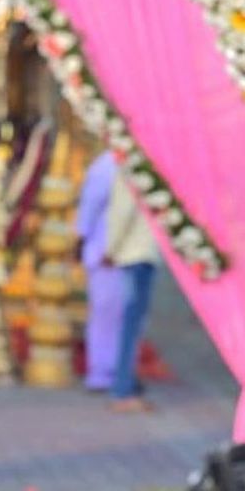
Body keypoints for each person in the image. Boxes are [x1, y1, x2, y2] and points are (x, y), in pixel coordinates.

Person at [106, 166, 160, 411]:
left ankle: (126, 384)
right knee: (130, 326)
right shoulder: (132, 167)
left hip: (140, 254)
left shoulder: (139, 165)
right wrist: (112, 249)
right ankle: (122, 390)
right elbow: (122, 213)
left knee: (134, 325)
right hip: (134, 254)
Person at [76, 150, 125, 391]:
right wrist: (83, 237)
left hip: (122, 252)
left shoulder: (125, 162)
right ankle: (100, 372)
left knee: (118, 316)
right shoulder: (106, 165)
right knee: (105, 315)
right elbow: (91, 206)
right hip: (104, 251)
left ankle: (116, 371)